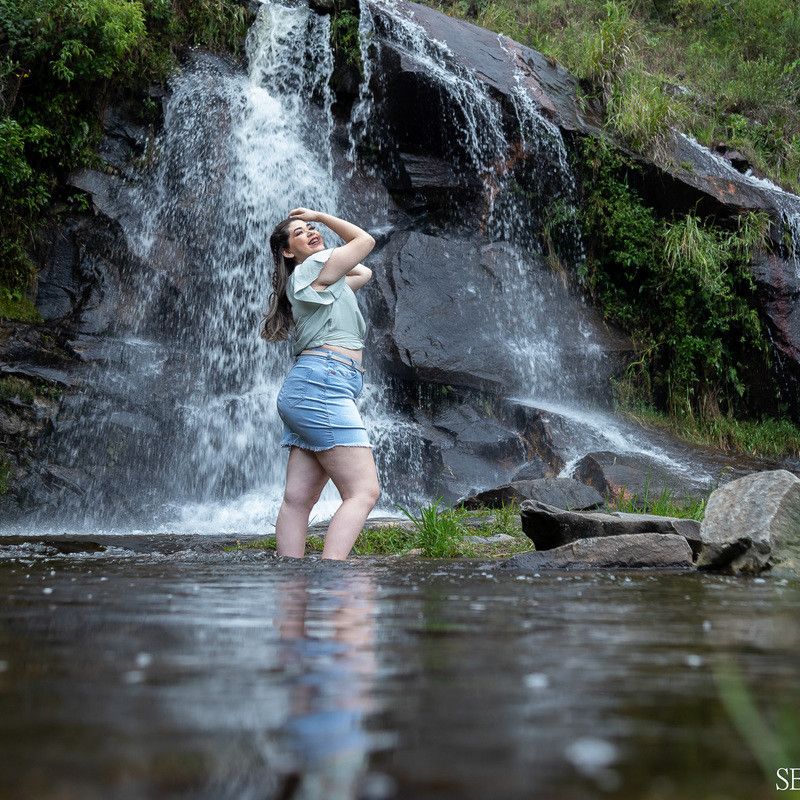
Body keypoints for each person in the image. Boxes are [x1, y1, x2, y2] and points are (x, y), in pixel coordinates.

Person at [261, 207, 380, 560]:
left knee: (298, 499)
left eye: (312, 227)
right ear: (287, 251)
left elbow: (364, 271)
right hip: (324, 384)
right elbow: (366, 241)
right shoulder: (311, 268)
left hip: (309, 387)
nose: (311, 232)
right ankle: (333, 577)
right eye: (300, 232)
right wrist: (324, 217)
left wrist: (316, 239)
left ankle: (292, 581)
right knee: (364, 490)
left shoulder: (322, 277)